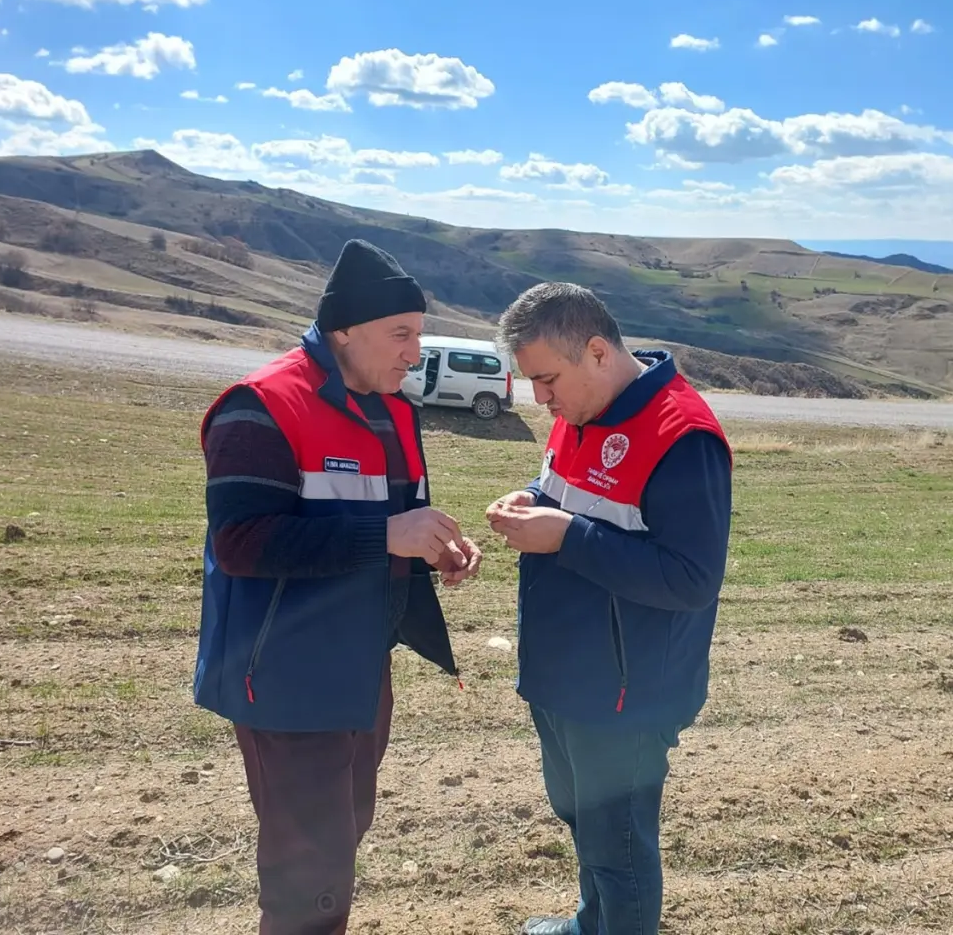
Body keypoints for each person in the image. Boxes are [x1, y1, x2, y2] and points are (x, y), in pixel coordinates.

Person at [194, 238, 482, 935]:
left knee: (340, 835)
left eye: (418, 334)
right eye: (401, 335)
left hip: (360, 665)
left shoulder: (394, 411)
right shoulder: (259, 405)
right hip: (286, 672)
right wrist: (386, 537)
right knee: (309, 872)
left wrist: (434, 552)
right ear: (343, 331)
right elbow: (241, 543)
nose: (415, 353)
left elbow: (396, 523)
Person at [486, 282, 733, 935]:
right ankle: (588, 924)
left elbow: (691, 579)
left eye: (545, 379)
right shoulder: (581, 408)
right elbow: (566, 491)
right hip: (564, 673)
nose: (539, 399)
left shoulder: (682, 437)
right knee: (581, 818)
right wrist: (532, 499)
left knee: (619, 849)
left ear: (596, 351)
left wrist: (565, 535)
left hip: (625, 694)